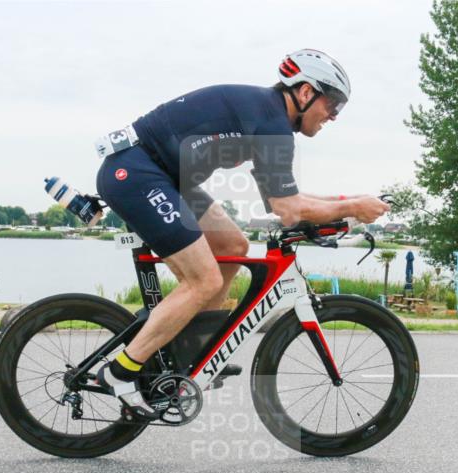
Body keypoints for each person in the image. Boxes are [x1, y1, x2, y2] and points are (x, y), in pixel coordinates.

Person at [95, 48, 391, 414]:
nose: (333, 115)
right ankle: (120, 373)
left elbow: (284, 199)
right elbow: (288, 211)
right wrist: (351, 207)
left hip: (165, 178)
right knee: (202, 281)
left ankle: (193, 353)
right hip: (137, 174)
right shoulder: (272, 123)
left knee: (232, 243)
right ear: (304, 93)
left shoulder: (266, 115)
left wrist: (351, 202)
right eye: (332, 104)